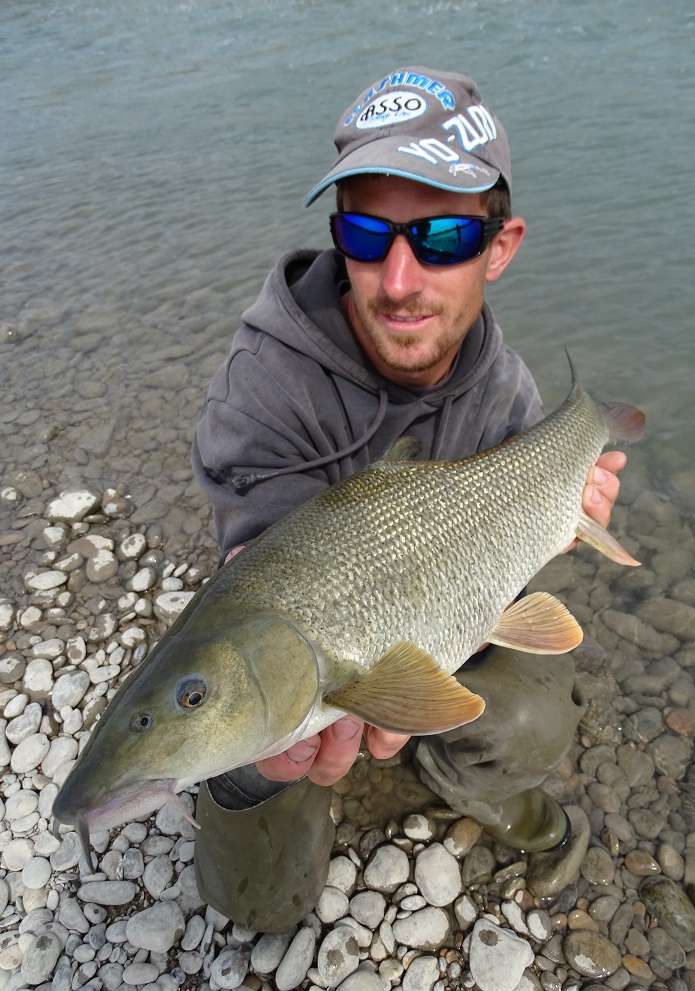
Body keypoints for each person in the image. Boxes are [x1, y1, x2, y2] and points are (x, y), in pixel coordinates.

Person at [191, 66, 626, 931]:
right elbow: (256, 588)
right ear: (338, 237)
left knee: (533, 714)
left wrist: (565, 520)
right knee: (257, 897)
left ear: (499, 249)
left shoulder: (506, 393)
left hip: (442, 600)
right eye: (365, 231)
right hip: (311, 638)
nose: (397, 279)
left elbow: (515, 556)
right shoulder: (261, 389)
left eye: (442, 238)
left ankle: (449, 776)